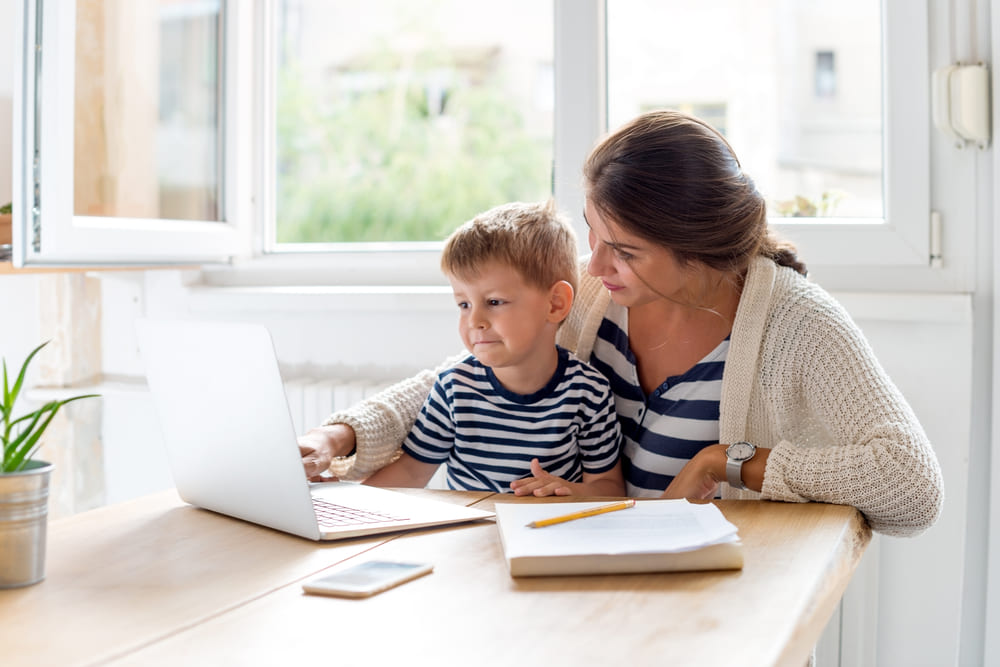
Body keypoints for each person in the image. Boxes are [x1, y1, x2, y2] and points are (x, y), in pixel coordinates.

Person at [299, 109, 944, 537]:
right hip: (584, 575)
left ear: (697, 251)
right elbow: (471, 372)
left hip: (718, 608)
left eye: (626, 250)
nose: (595, 264)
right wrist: (343, 435)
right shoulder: (593, 291)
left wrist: (731, 461)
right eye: (592, 232)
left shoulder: (795, 325)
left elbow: (912, 487)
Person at [361, 199, 623, 495]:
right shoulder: (454, 389)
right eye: (463, 304)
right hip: (468, 536)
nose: (475, 320)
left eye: (494, 302)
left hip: (551, 536)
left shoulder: (588, 391)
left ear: (555, 304)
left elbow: (608, 486)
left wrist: (571, 492)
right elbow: (411, 471)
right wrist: (346, 508)